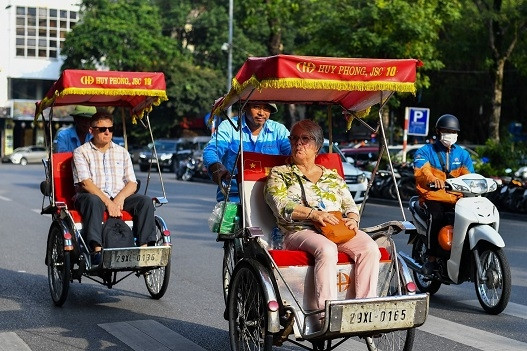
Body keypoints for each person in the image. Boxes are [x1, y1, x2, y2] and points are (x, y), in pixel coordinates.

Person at [264, 119, 380, 312]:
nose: (298, 143)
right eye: (294, 138)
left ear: (317, 145)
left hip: (335, 229)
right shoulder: (280, 173)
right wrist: (314, 214)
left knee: (370, 247)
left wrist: (352, 218)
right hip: (298, 231)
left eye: (305, 139)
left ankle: (364, 308)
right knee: (326, 249)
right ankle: (325, 312)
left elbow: (350, 205)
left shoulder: (332, 176)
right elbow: (280, 205)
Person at [72, 112, 157, 265]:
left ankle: (145, 250)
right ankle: (96, 250)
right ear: (91, 130)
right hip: (91, 196)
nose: (107, 132)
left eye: (110, 129)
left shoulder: (122, 152)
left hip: (118, 196)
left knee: (145, 201)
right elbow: (85, 183)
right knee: (93, 201)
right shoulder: (81, 152)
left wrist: (119, 199)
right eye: (102, 129)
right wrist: (108, 202)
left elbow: (132, 183)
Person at [413, 114, 474, 267]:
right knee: (437, 217)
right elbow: (421, 172)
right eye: (446, 131)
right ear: (438, 131)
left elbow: (470, 176)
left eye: (453, 132)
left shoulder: (463, 154)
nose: (450, 135)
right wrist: (433, 180)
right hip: (432, 197)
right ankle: (432, 257)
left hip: (456, 198)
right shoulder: (425, 151)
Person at [203, 102, 291, 202]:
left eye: (266, 108)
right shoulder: (228, 127)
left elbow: (292, 153)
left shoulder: (279, 130)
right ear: (245, 107)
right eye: (256, 107)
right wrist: (216, 167)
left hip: (270, 196)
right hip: (234, 196)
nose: (261, 113)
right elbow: (211, 150)